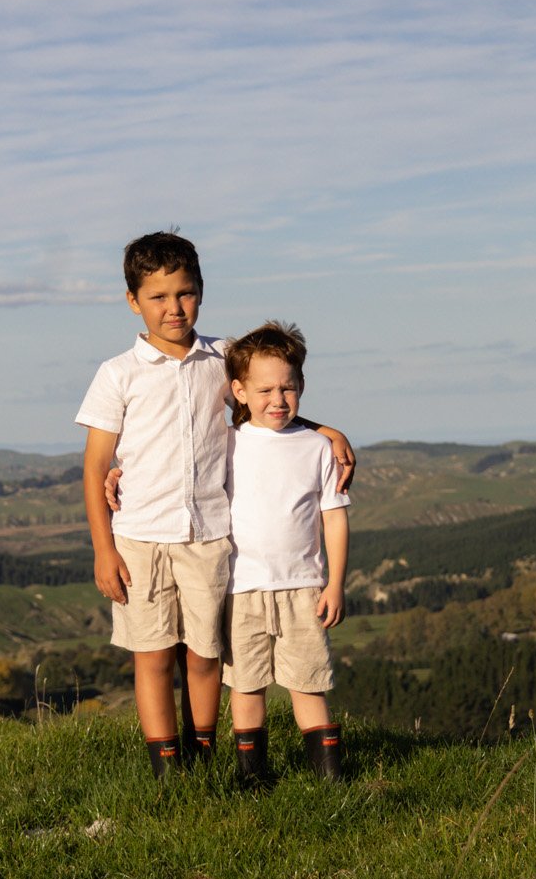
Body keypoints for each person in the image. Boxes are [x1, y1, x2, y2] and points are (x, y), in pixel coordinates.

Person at [76, 233, 353, 777]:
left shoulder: (223, 358)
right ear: (133, 300)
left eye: (185, 294)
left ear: (201, 292)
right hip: (140, 536)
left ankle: (203, 755)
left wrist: (323, 428)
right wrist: (103, 550)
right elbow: (93, 466)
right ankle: (168, 768)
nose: (173, 308)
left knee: (205, 653)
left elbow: (267, 399)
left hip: (207, 533)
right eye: (158, 297)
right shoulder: (118, 374)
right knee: (153, 655)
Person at [222, 321, 349, 785]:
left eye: (288, 388)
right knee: (246, 685)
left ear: (302, 387)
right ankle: (252, 777)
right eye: (264, 389)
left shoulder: (317, 447)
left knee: (309, 682)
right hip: (241, 588)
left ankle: (329, 778)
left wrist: (335, 583)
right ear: (238, 391)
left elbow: (334, 517)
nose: (278, 399)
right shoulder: (227, 444)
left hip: (303, 588)